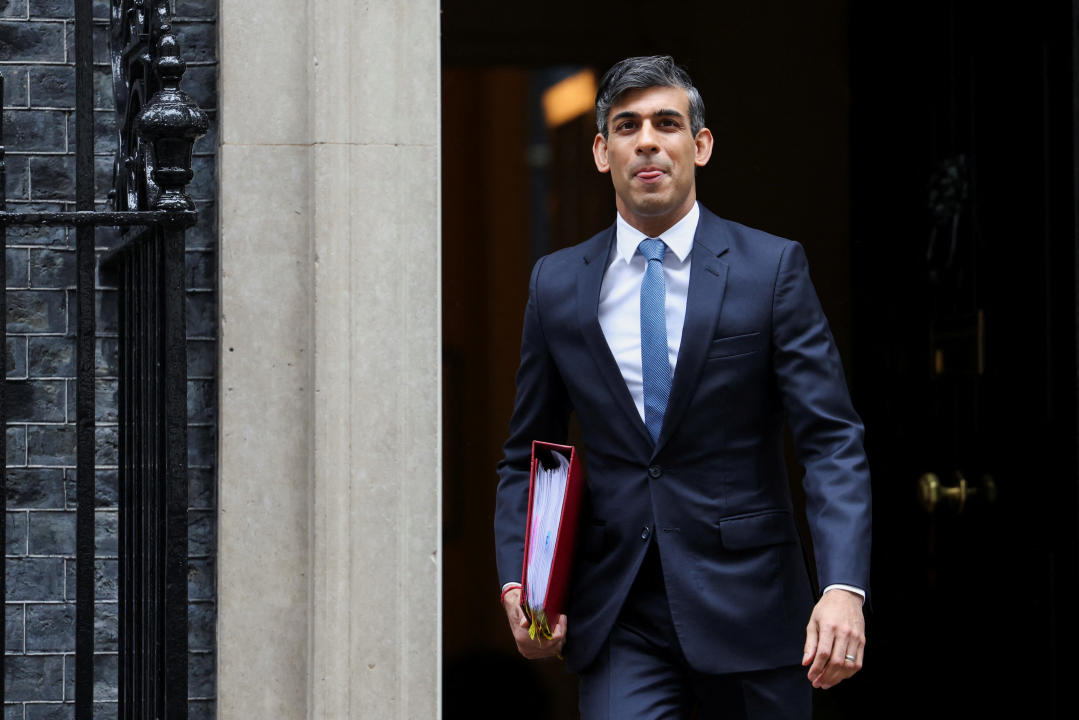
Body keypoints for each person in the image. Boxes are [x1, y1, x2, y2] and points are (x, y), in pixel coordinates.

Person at [493, 55, 870, 719]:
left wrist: (842, 587)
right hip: (619, 609)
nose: (646, 140)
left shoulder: (770, 269)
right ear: (600, 151)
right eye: (626, 125)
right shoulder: (556, 284)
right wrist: (521, 582)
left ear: (699, 146)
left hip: (752, 604)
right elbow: (534, 450)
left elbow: (829, 440)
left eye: (666, 123)